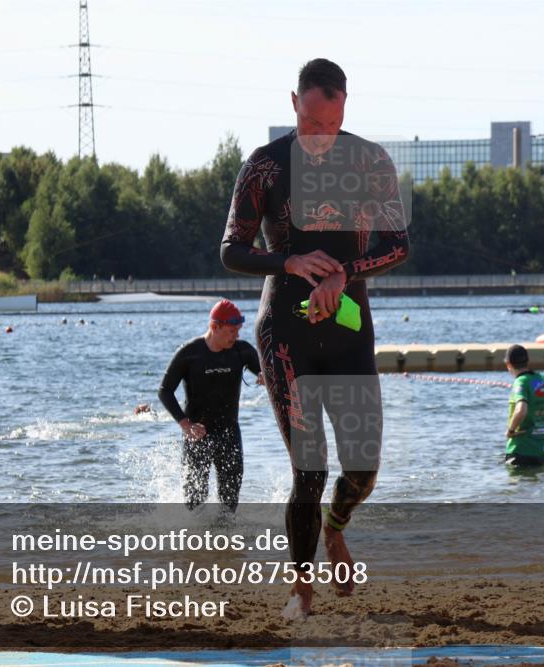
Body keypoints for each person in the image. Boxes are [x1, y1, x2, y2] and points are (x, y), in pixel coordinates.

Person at [220, 58, 409, 616]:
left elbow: (399, 244)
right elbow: (231, 250)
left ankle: (335, 529)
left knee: (362, 469)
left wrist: (345, 273)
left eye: (329, 125)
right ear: (294, 104)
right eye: (310, 124)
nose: (320, 137)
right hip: (286, 337)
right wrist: (290, 260)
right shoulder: (265, 166)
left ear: (345, 106)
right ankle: (302, 589)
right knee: (310, 469)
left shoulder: (372, 160)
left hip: (349, 332)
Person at [149, 299, 263, 514]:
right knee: (194, 504)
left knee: (229, 505)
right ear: (214, 327)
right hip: (197, 435)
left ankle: (224, 545)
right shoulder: (190, 353)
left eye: (238, 330)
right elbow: (164, 391)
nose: (236, 336)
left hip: (230, 433)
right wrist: (185, 424)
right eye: (231, 331)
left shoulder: (242, 351)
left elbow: (264, 372)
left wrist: (266, 377)